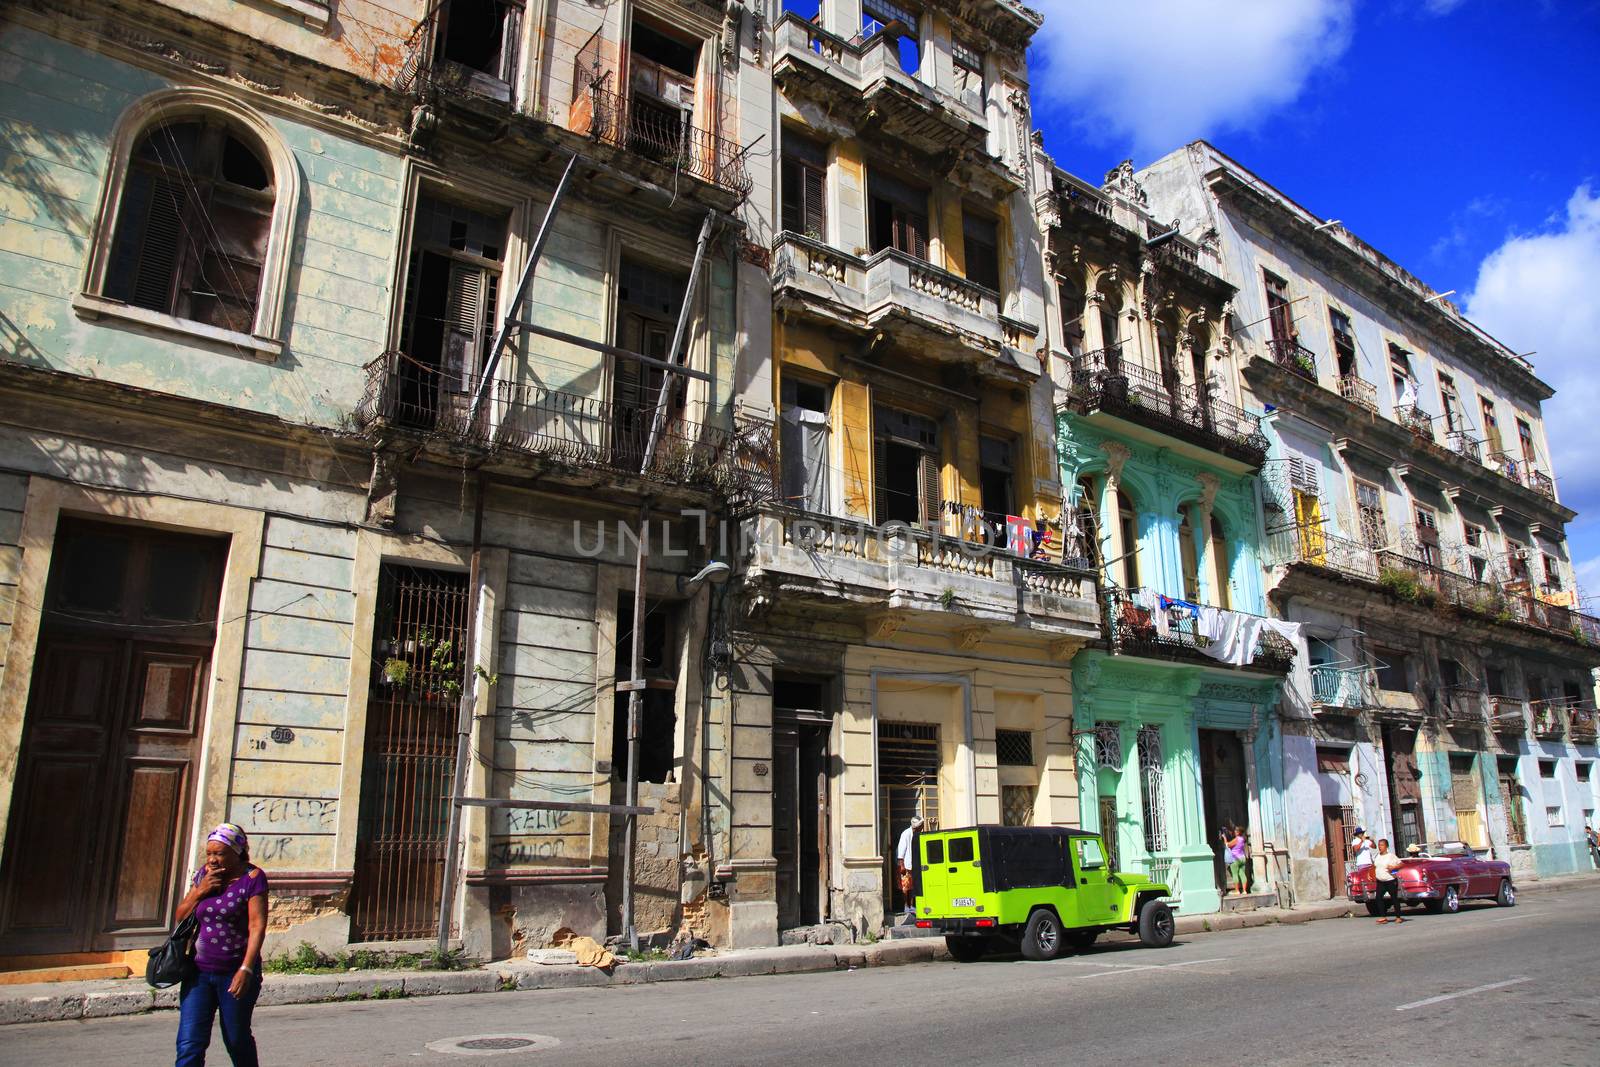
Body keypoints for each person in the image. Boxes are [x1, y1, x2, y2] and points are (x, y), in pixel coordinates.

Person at [174, 823, 269, 1067]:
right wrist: (200, 891)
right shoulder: (203, 876)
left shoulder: (253, 879)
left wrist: (246, 969)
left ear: (237, 851)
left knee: (236, 1040)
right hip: (198, 974)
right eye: (209, 853)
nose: (213, 860)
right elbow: (180, 916)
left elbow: (257, 926)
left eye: (219, 853)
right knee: (189, 1044)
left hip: (234, 974)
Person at [895, 815, 923, 923]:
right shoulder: (906, 834)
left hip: (914, 865)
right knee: (905, 887)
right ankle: (906, 906)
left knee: (912, 887)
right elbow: (901, 852)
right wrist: (901, 865)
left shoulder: (918, 834)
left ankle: (912, 905)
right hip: (906, 865)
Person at [1371, 837, 1405, 925]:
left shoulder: (1391, 856)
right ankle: (1383, 917)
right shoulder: (1377, 856)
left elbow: (1401, 864)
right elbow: (1375, 866)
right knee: (1378, 898)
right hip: (1380, 881)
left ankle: (1398, 917)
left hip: (1390, 880)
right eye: (1379, 845)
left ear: (1386, 846)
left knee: (1394, 898)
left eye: (1382, 845)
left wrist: (1394, 867)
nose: (1380, 847)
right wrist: (1372, 874)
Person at [1219, 824, 1249, 896]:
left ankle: (1237, 891)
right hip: (1242, 858)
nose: (1235, 832)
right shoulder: (1243, 839)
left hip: (1235, 858)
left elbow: (1228, 845)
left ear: (1239, 832)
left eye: (1236, 831)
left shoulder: (1237, 839)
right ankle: (1244, 891)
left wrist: (1224, 838)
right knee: (1242, 874)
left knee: (1235, 874)